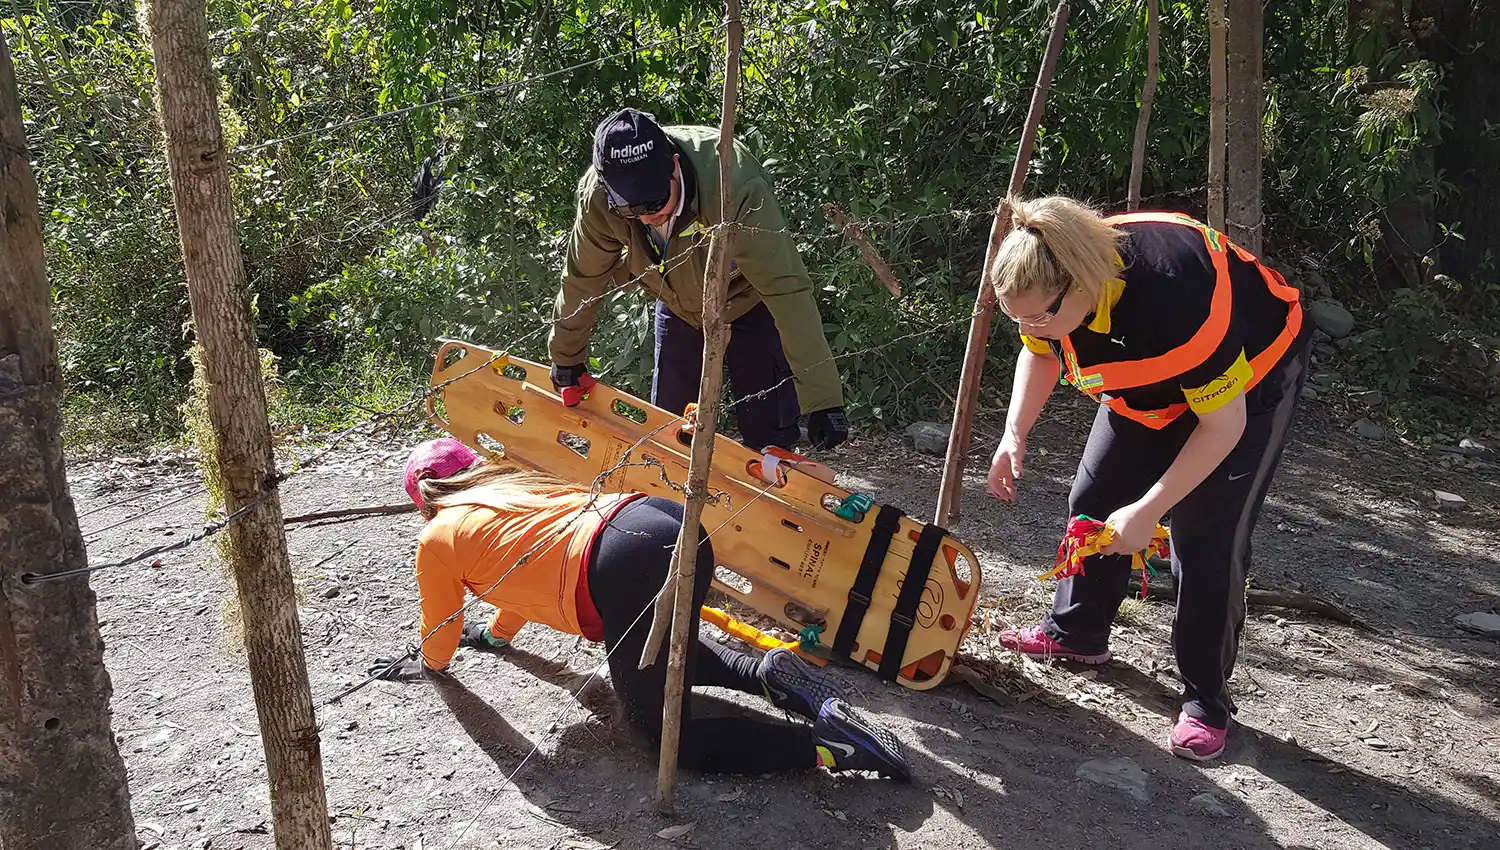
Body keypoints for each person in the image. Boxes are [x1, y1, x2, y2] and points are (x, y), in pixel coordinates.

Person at [367, 437, 911, 780]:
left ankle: (827, 747)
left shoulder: (438, 536)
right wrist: (497, 637)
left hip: (622, 562)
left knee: (663, 736)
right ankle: (764, 673)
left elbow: (441, 625)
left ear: (422, 499)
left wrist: (432, 664)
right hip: (661, 519)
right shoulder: (509, 489)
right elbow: (515, 580)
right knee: (659, 642)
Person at [984, 196, 1309, 762]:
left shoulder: (1173, 296)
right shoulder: (1050, 287)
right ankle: (1077, 634)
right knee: (1095, 498)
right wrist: (1014, 433)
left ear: (1083, 285)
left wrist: (1151, 508)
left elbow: (1219, 426)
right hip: (1154, 378)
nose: (1031, 328)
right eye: (1018, 319)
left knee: (1204, 537)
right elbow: (1039, 354)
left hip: (1250, 381)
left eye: (1038, 317)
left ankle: (1206, 698)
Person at [546, 107, 849, 453]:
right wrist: (566, 358)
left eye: (656, 200)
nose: (647, 216)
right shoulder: (600, 199)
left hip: (749, 300)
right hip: (677, 305)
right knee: (668, 434)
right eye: (630, 209)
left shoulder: (733, 184)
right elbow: (582, 280)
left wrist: (823, 400)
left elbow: (786, 288)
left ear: (674, 166)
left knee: (769, 436)